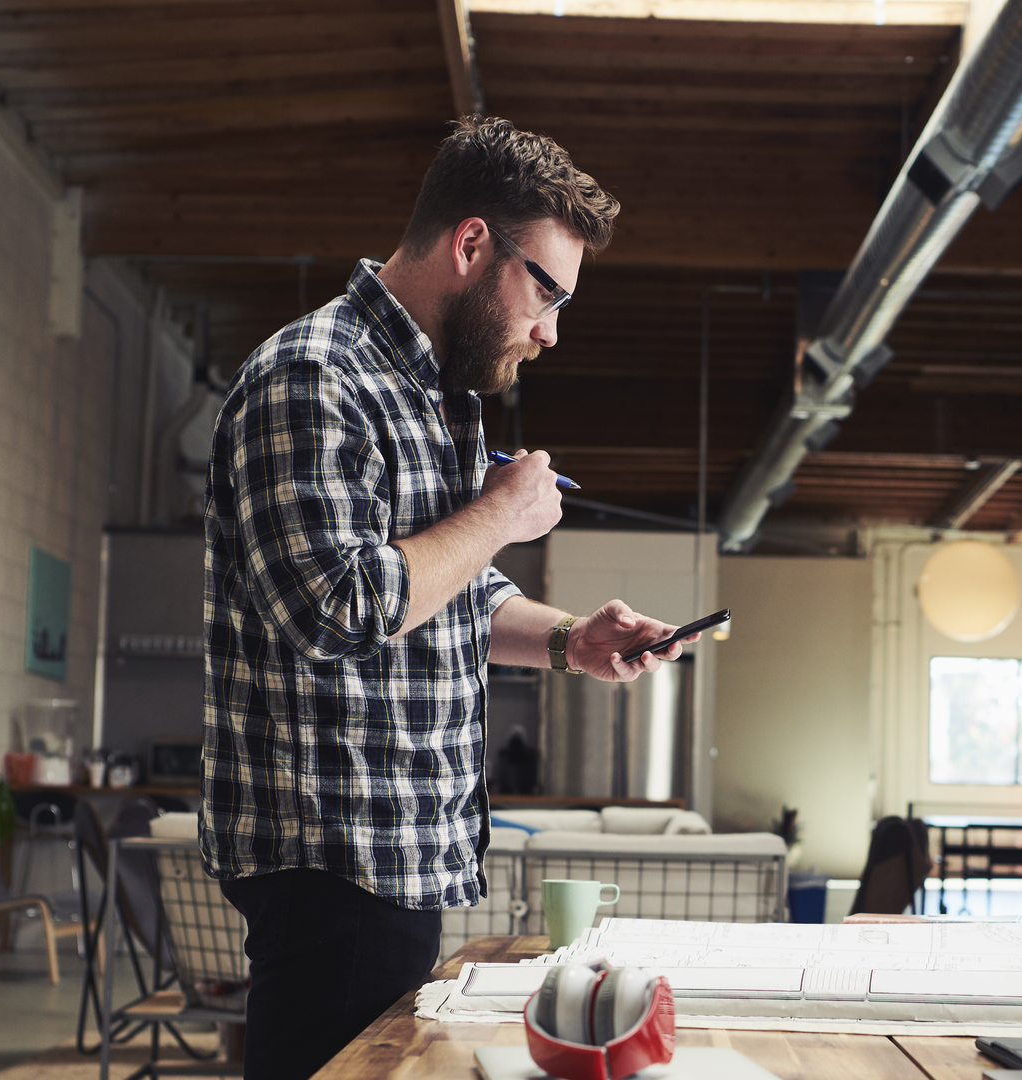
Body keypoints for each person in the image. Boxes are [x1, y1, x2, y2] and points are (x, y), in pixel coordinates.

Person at [200, 116, 694, 1080]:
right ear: (473, 244)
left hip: (398, 856)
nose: (552, 329)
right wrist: (502, 514)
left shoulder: (432, 398)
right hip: (332, 860)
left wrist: (571, 641)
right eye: (546, 290)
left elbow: (442, 598)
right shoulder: (315, 375)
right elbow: (340, 608)